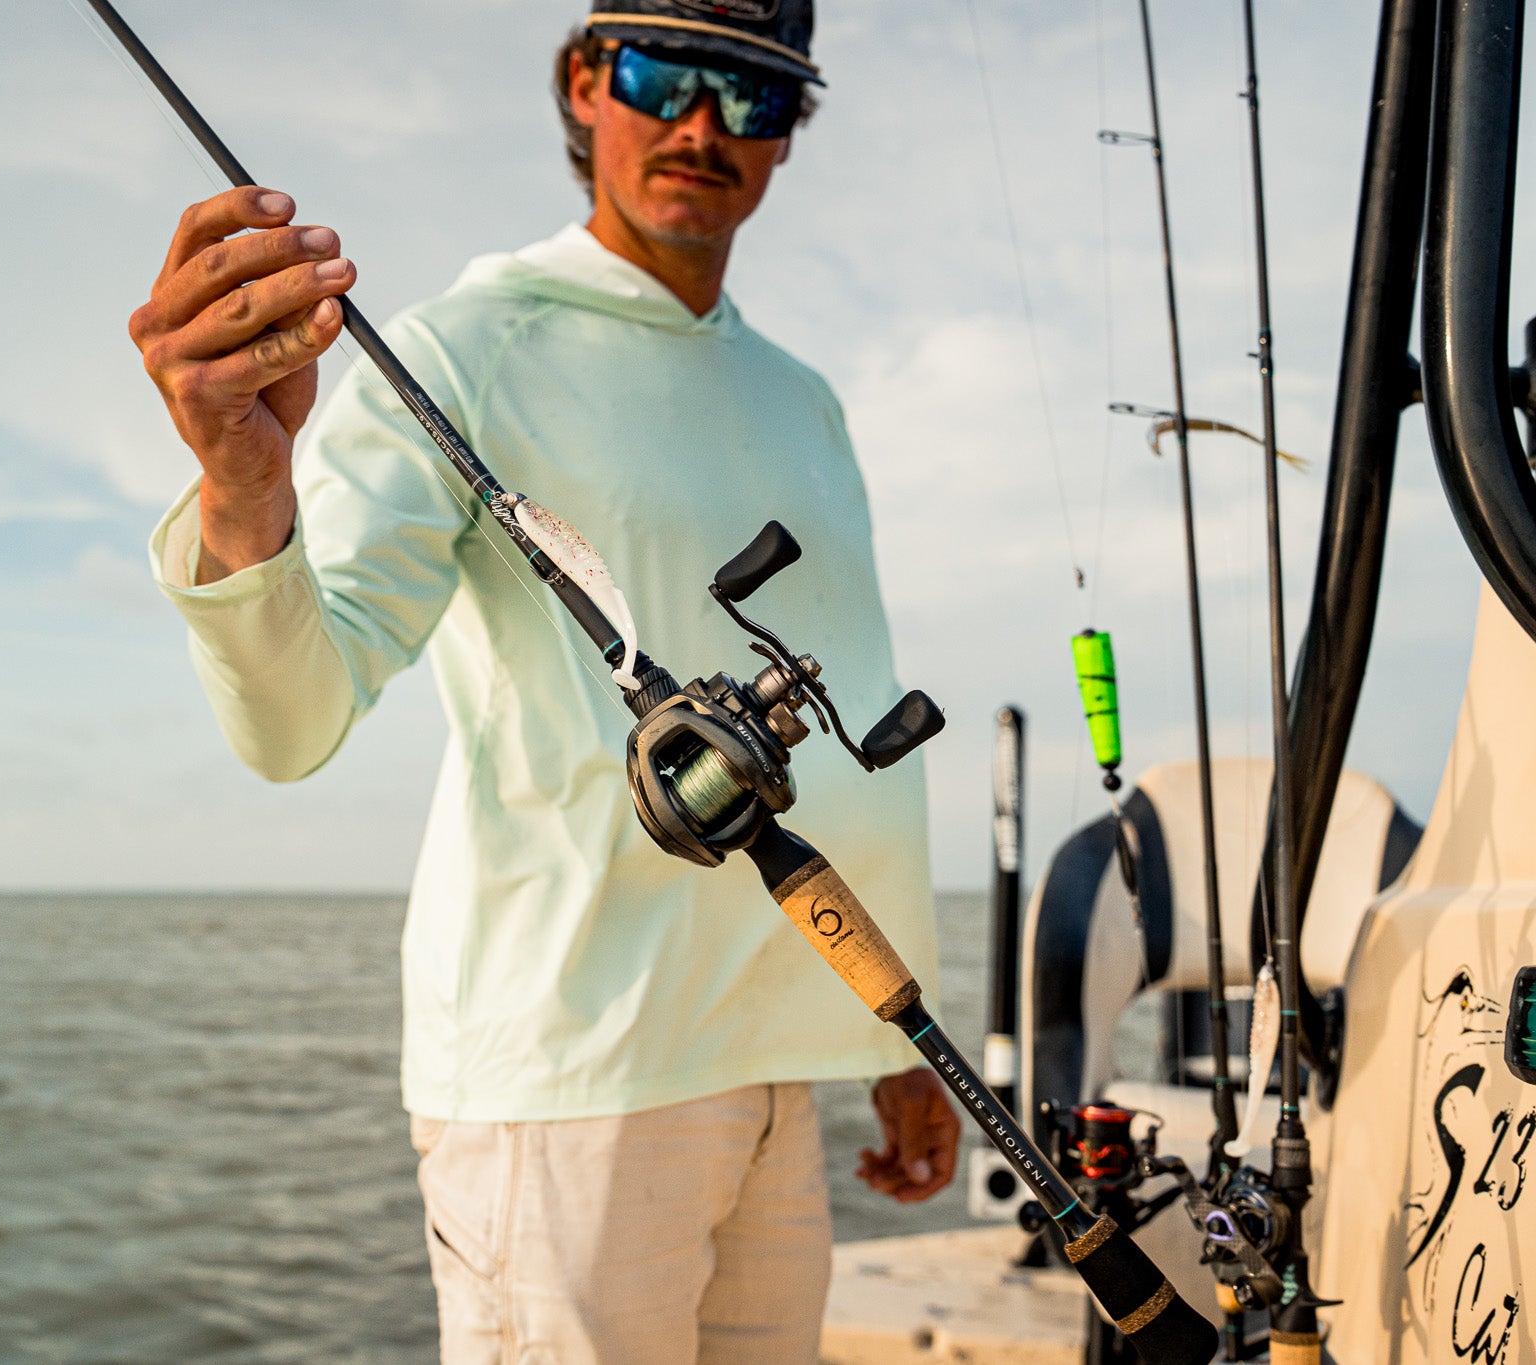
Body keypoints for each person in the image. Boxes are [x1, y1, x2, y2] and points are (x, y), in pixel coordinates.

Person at [128, 1, 958, 1360]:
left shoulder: (802, 396)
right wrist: (241, 485)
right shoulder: (460, 350)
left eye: (751, 96)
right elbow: (293, 719)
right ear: (585, 80)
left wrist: (895, 1038)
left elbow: (853, 703)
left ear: (789, 135)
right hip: (571, 1088)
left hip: (788, 1058)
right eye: (665, 75)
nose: (703, 126)